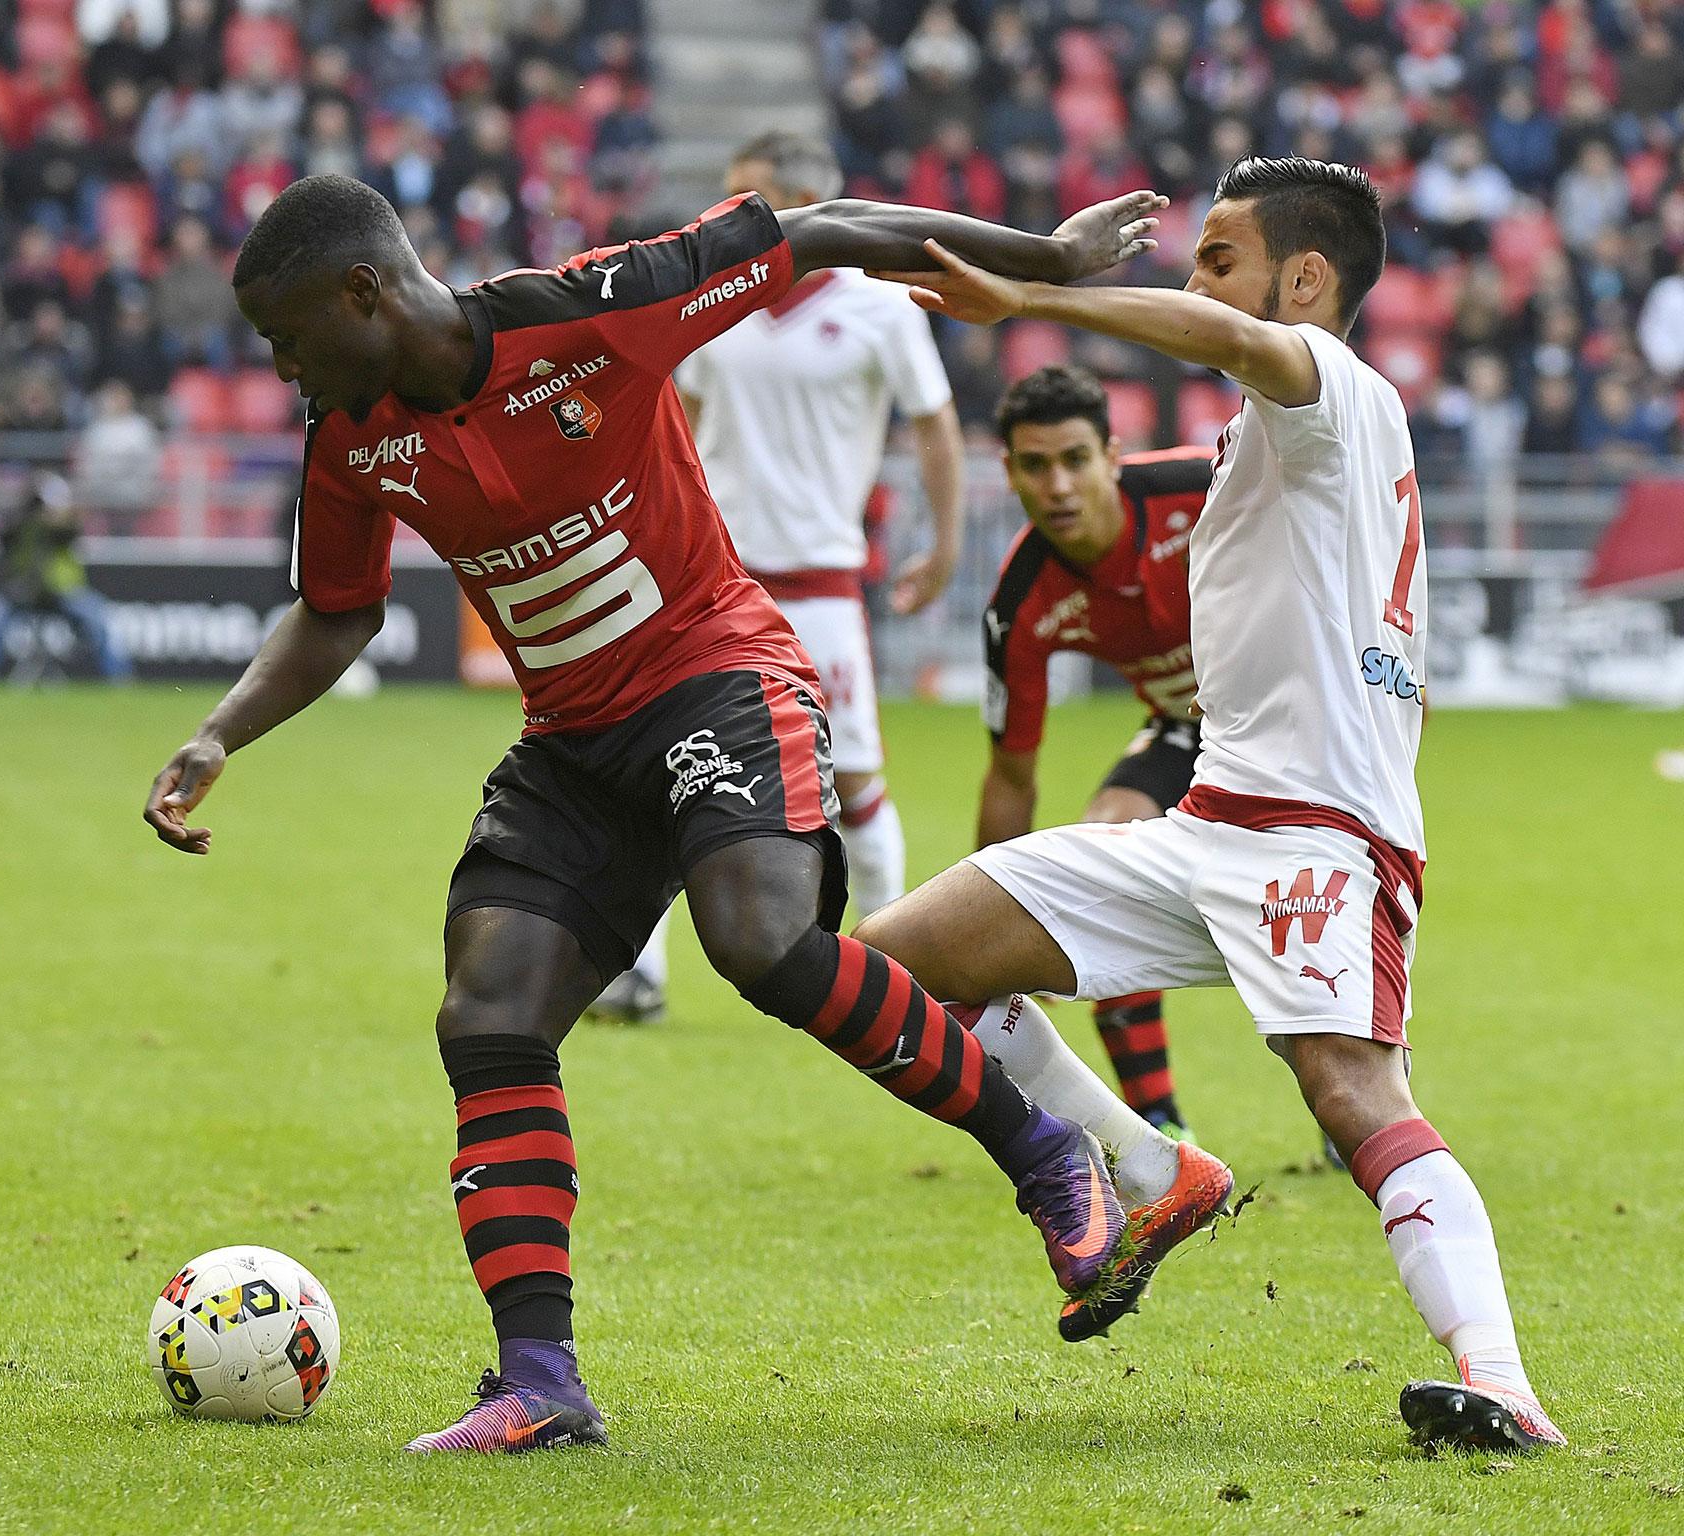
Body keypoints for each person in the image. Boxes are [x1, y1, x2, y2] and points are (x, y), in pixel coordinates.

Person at [142, 172, 1181, 1454]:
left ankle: (1044, 1157)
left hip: (712, 678)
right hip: (572, 745)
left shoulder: (586, 314)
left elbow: (815, 229)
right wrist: (218, 730)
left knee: (758, 943)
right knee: (489, 1008)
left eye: (288, 339)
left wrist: (1044, 256)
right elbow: (339, 606)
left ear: (362, 291)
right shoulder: (352, 437)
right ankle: (539, 1381)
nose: (286, 375)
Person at [862, 156, 1564, 1452]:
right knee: (888, 971)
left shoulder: (1334, 391)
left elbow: (1239, 340)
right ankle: (1144, 1165)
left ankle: (1502, 1380)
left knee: (1346, 1088)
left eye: (1218, 256)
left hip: (1321, 831)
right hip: (1206, 820)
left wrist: (1033, 292)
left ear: (1306, 279)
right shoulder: (1265, 430)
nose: (1196, 282)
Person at [590, 130, 966, 1025]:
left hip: (823, 581)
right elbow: (671, 420)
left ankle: (904, 958)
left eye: (749, 196)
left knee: (860, 778)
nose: (731, 216)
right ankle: (638, 974)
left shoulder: (880, 308)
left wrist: (946, 545)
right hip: (709, 584)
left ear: (801, 202)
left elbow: (936, 425)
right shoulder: (712, 302)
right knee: (671, 771)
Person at [978, 365, 1213, 1140]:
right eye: (1036, 465)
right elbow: (1012, 772)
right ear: (1009, 472)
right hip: (1190, 732)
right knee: (1107, 867)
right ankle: (1160, 1130)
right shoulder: (1021, 601)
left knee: (1315, 915)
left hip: (1297, 729)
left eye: (1075, 459)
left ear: (1114, 454)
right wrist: (998, 923)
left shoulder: (1204, 485)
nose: (1059, 485)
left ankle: (1354, 1110)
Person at [0, 472, 131, 682]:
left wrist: (51, 514)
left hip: (64, 591)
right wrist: (26, 513)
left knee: (100, 622)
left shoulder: (63, 525)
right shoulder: (21, 525)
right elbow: (2, 540)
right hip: (24, 592)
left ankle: (119, 678)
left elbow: (69, 529)